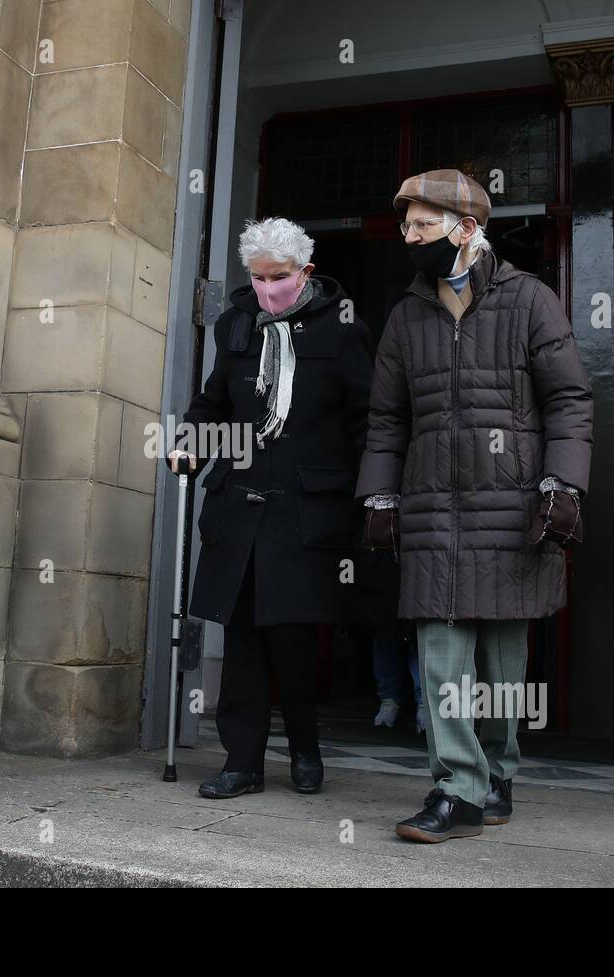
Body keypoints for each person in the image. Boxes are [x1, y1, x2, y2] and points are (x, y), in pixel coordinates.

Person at [358, 169, 592, 842]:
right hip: (434, 513)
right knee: (441, 656)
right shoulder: (407, 316)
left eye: (422, 226)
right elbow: (386, 418)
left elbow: (569, 400)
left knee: (498, 664)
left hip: (512, 511)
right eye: (406, 227)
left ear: (465, 229)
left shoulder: (530, 302)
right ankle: (456, 788)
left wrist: (562, 483)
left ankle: (499, 770)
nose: (409, 237)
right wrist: (379, 494)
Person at [170, 217, 372, 799]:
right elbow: (213, 402)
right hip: (241, 501)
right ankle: (242, 761)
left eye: (278, 277)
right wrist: (188, 443)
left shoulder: (345, 326)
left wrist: (371, 494)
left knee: (292, 640)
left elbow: (364, 418)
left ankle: (305, 748)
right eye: (256, 278)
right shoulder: (235, 325)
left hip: (308, 510)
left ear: (305, 272)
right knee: (242, 640)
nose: (266, 289)